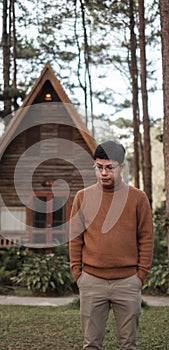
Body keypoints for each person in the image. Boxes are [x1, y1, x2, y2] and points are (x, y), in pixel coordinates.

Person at [69, 140, 154, 350]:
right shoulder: (83, 197)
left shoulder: (138, 198)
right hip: (91, 282)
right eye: (99, 167)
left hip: (127, 282)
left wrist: (140, 275)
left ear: (122, 167)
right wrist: (78, 275)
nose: (104, 173)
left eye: (109, 167)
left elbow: (146, 238)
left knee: (129, 344)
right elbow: (75, 239)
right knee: (91, 345)